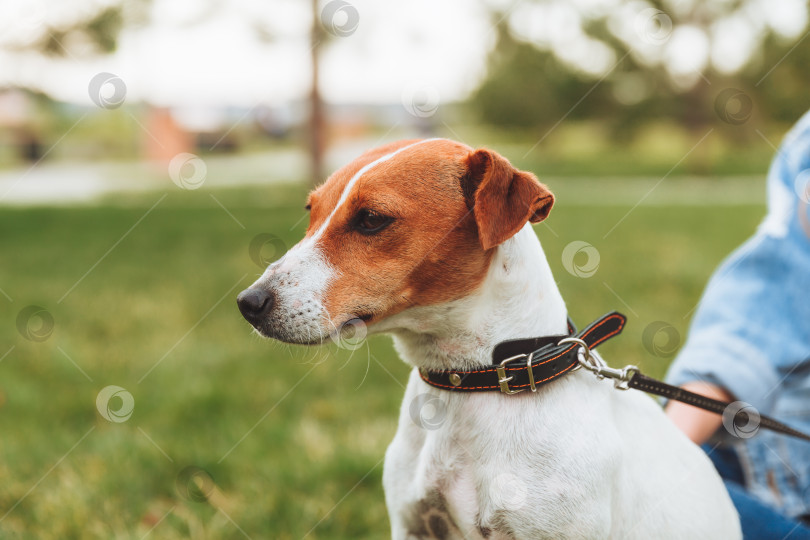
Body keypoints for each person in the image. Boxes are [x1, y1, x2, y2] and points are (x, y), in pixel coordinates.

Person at [666, 111, 810, 539]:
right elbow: (722, 365)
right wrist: (666, 460)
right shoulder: (786, 267)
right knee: (685, 494)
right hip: (766, 482)